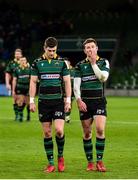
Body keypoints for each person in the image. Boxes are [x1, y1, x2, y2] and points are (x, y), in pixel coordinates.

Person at [29, 37, 71, 173]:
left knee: (59, 131)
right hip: (44, 102)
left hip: (58, 102)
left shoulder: (62, 63)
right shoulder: (37, 63)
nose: (51, 52)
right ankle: (51, 162)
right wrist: (31, 101)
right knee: (47, 132)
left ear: (56, 48)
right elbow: (33, 82)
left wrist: (68, 100)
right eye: (49, 50)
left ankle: (60, 157)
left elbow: (67, 82)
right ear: (44, 48)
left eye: (54, 50)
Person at [74, 38, 110, 172]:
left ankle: (99, 161)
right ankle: (90, 162)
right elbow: (76, 86)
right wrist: (78, 100)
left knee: (100, 129)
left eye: (92, 47)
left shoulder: (103, 62)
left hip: (99, 101)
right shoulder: (80, 65)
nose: (90, 49)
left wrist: (94, 64)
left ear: (97, 48)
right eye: (87, 47)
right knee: (87, 133)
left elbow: (103, 78)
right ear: (84, 50)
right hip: (85, 103)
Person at [5, 48, 23, 120]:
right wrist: (7, 84)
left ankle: (20, 114)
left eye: (18, 54)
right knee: (15, 100)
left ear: (21, 55)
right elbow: (7, 74)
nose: (17, 55)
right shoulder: (11, 63)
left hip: (23, 84)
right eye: (16, 54)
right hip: (14, 84)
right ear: (14, 55)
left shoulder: (24, 62)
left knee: (21, 100)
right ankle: (17, 115)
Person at [12, 57, 31, 122]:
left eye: (24, 60)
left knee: (27, 102)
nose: (23, 61)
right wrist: (13, 89)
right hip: (20, 87)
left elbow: (32, 79)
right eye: (21, 60)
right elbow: (14, 80)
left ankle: (28, 115)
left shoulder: (29, 69)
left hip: (27, 87)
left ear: (26, 61)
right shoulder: (16, 69)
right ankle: (21, 116)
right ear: (19, 62)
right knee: (20, 101)